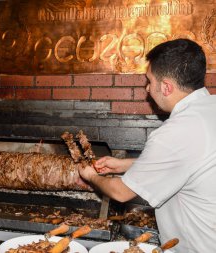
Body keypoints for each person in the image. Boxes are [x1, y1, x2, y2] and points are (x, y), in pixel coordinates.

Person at [79, 39, 216, 253]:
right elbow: (188, 163)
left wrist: (91, 176)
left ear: (166, 87)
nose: (147, 88)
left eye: (149, 81)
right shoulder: (210, 109)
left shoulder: (175, 132)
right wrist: (124, 165)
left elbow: (121, 192)